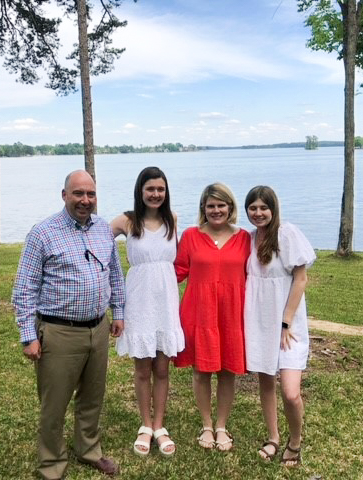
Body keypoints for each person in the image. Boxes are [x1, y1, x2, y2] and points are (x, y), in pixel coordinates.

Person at [11, 170, 126, 480]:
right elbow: (24, 289)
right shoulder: (43, 233)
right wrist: (28, 336)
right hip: (59, 332)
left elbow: (114, 273)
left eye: (90, 194)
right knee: (54, 404)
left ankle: (89, 450)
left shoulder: (104, 230)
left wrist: (119, 313)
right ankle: (51, 464)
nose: (84, 200)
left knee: (92, 397)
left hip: (98, 329)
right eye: (78, 194)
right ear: (64, 195)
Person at [110, 166, 185, 458]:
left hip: (166, 301)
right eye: (150, 189)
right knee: (142, 369)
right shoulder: (128, 221)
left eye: (160, 189)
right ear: (140, 191)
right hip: (139, 299)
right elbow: (94, 236)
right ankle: (144, 425)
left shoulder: (173, 220)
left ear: (166, 192)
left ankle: (159, 425)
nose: (155, 194)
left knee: (163, 368)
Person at [174, 183, 250, 452]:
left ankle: (221, 425)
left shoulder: (246, 238)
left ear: (230, 207)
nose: (216, 210)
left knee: (227, 371)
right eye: (211, 206)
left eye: (221, 205)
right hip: (199, 312)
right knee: (201, 370)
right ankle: (206, 424)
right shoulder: (191, 236)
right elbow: (176, 273)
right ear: (203, 209)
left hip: (232, 313)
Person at [243, 185, 316, 467]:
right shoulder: (248, 239)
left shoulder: (287, 234)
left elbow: (300, 279)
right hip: (258, 321)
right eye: (253, 208)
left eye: (263, 207)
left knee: (290, 391)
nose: (258, 213)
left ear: (273, 209)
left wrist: (285, 321)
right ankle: (273, 437)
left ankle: (295, 441)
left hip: (288, 326)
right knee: (265, 383)